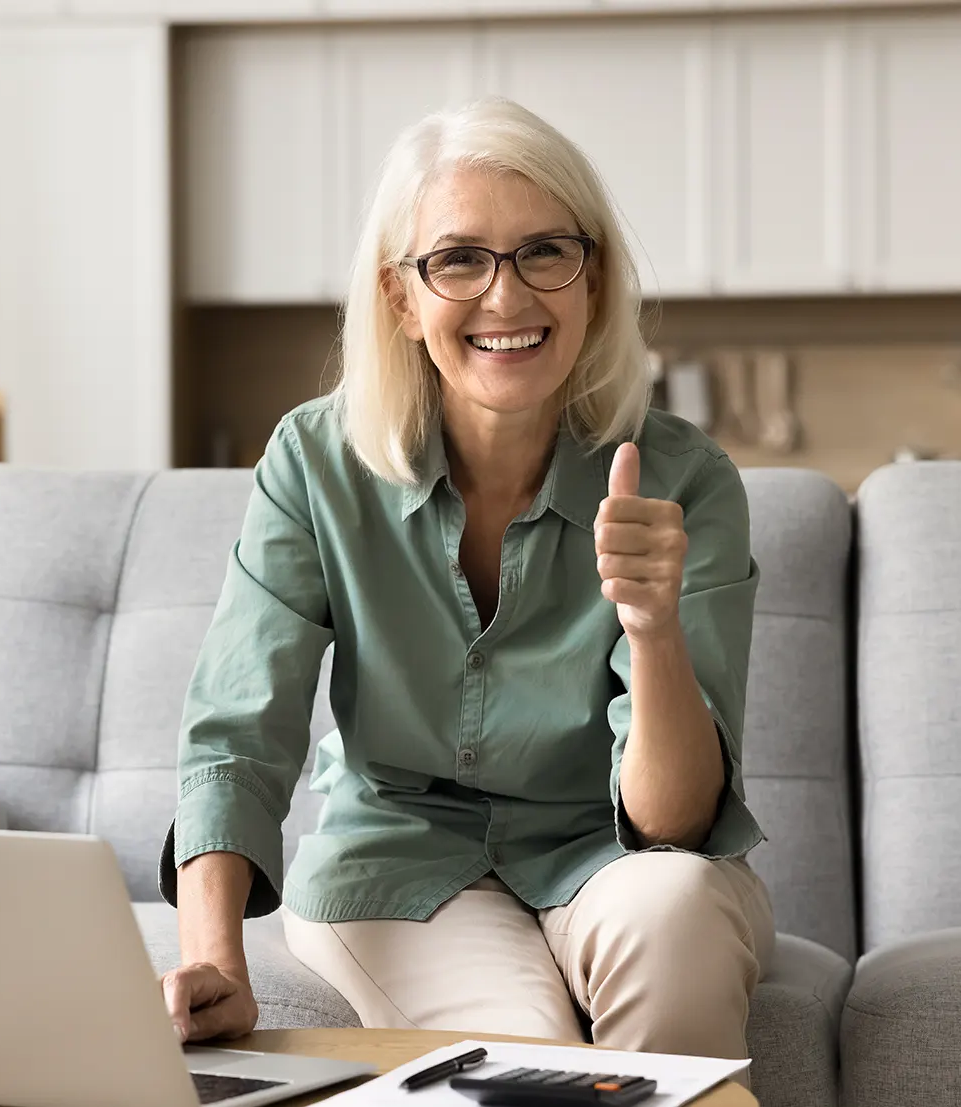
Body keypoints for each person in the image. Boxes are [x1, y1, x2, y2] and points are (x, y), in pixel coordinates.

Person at [158, 97, 774, 1072]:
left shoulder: (681, 479)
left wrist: (652, 629)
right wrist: (211, 954)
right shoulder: (314, 463)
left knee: (681, 911)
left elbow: (673, 823)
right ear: (401, 298)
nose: (506, 297)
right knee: (521, 1066)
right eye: (457, 259)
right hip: (397, 864)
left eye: (543, 252)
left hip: (613, 854)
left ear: (593, 278)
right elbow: (238, 726)